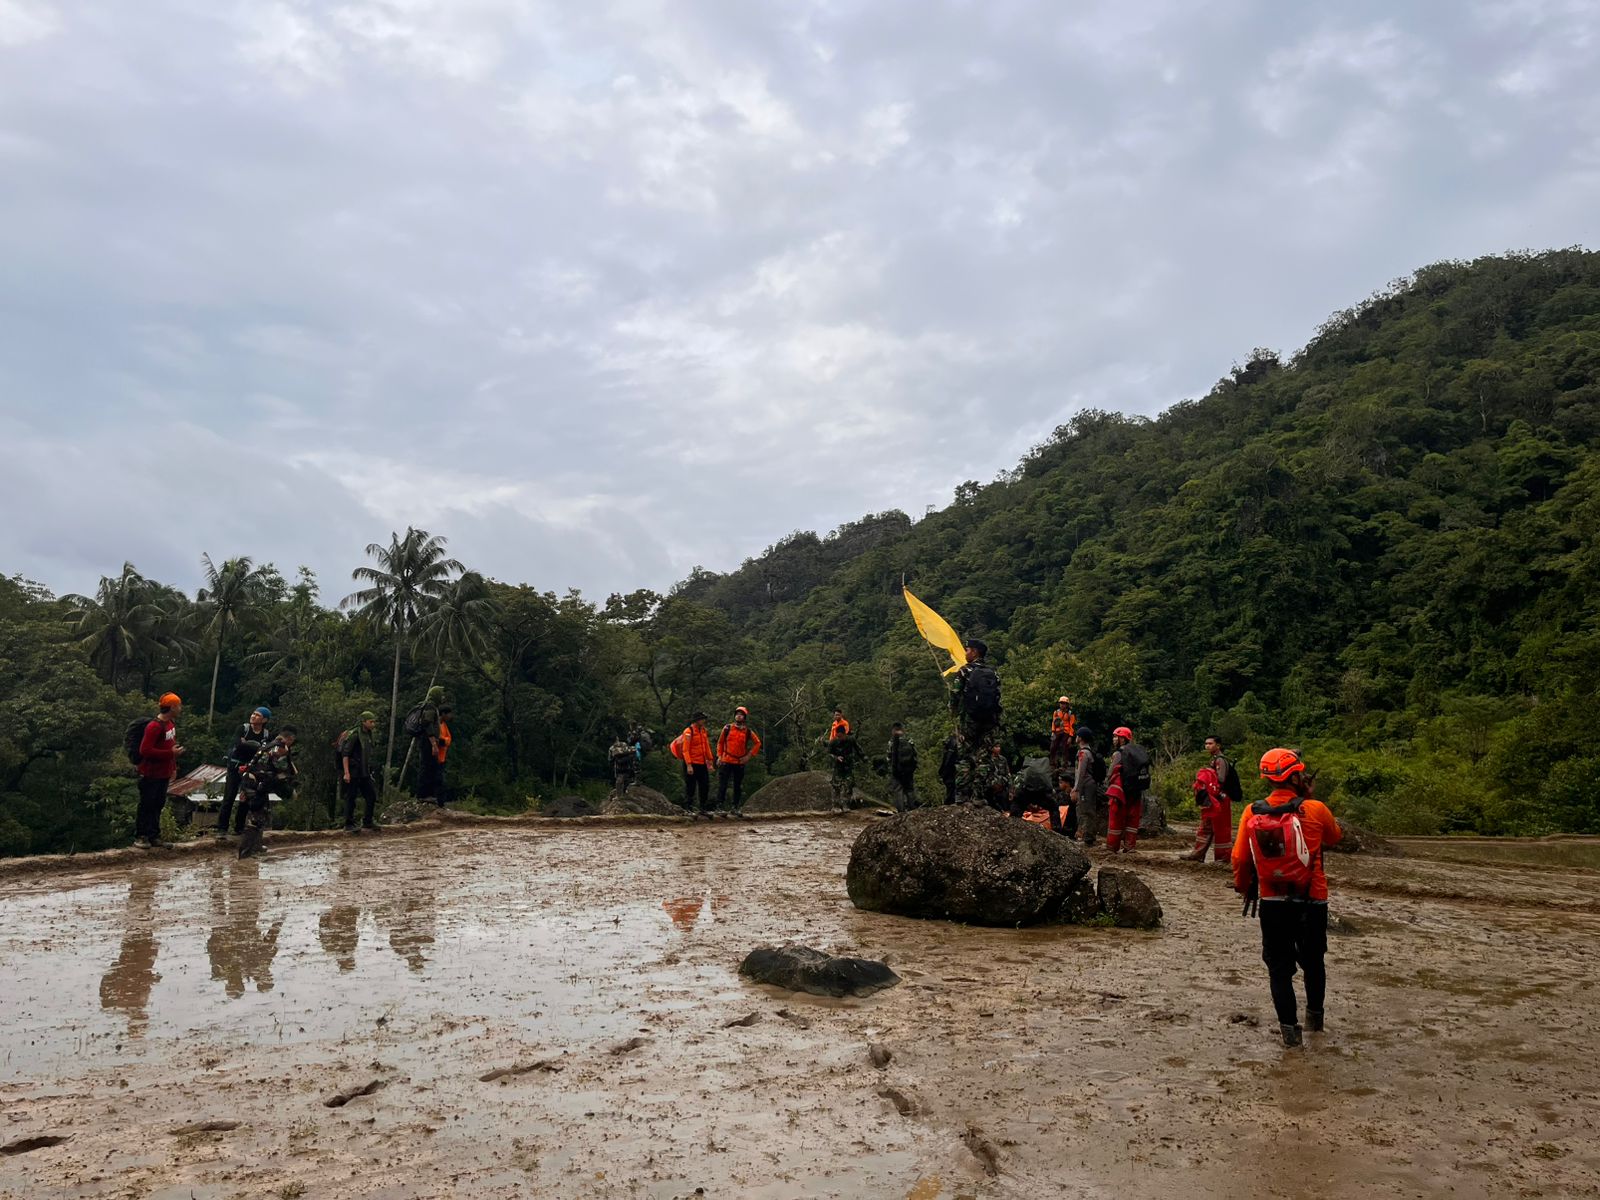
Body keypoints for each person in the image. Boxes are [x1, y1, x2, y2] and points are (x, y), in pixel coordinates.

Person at [1233, 748, 1343, 1047]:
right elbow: (1334, 837)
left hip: (1272, 900)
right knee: (1314, 961)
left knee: (1279, 968)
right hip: (1313, 898)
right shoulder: (1317, 809)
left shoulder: (1251, 812)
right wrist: (1309, 799)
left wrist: (1244, 888)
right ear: (1296, 776)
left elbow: (1240, 859)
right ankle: (1315, 1022)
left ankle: (1290, 1035)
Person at [950, 637, 1003, 804]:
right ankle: (978, 796)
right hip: (988, 722)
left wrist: (954, 712)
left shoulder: (964, 671)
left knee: (965, 757)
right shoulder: (993, 673)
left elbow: (955, 695)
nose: (965, 653)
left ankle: (962, 796)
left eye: (967, 650)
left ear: (974, 652)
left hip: (969, 722)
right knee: (984, 759)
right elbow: (997, 698)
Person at [238, 727, 298, 859]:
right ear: (289, 739)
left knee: (262, 815)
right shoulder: (278, 748)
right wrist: (288, 792)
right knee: (255, 818)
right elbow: (277, 775)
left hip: (255, 782)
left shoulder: (267, 745)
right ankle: (246, 853)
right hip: (257, 784)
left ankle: (256, 847)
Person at [133, 693, 184, 849]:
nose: (180, 708)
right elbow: (145, 750)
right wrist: (171, 754)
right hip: (150, 773)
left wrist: (173, 766)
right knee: (146, 804)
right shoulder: (155, 726)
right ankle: (141, 836)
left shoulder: (170, 724)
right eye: (179, 706)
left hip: (164, 772)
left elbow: (171, 746)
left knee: (158, 804)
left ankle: (154, 835)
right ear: (172, 707)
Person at [217, 705, 271, 840]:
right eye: (253, 713)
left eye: (257, 715)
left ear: (264, 720)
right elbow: (238, 745)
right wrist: (255, 747)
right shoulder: (243, 728)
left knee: (246, 798)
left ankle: (239, 828)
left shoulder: (266, 734)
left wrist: (248, 745)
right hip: (235, 767)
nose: (253, 716)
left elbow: (263, 751)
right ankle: (222, 830)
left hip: (251, 769)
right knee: (229, 797)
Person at [1105, 725, 1150, 853]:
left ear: (1122, 739)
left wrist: (1108, 782)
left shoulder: (1119, 753)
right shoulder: (1137, 751)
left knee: (1116, 819)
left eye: (1116, 737)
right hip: (1136, 791)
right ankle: (1130, 846)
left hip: (1121, 791)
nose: (1114, 739)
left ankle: (1112, 847)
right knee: (1132, 819)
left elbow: (1111, 772)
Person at [715, 706, 762, 817]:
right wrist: (719, 756)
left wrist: (749, 756)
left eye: (741, 714)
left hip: (739, 762)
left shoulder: (748, 731)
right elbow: (720, 743)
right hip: (726, 760)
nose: (739, 715)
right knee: (723, 784)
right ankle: (719, 807)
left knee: (738, 786)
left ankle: (735, 807)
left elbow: (758, 743)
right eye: (737, 714)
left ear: (744, 717)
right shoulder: (727, 728)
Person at [339, 711, 380, 834]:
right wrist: (346, 773)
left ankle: (367, 821)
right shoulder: (355, 735)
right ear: (363, 722)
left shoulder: (368, 734)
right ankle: (348, 824)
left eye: (374, 721)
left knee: (371, 795)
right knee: (351, 797)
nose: (373, 724)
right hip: (353, 770)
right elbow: (345, 754)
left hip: (364, 771)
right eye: (370, 721)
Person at [1185, 763, 1228, 862]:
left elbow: (1220, 780)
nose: (1207, 746)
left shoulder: (1219, 762)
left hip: (1214, 803)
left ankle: (1201, 855)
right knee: (1215, 830)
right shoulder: (1217, 764)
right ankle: (1220, 857)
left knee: (1208, 829)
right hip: (1217, 801)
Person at [675, 711, 715, 818]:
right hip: (692, 763)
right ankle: (688, 809)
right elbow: (685, 750)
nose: (704, 721)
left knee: (705, 786)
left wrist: (710, 761)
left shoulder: (703, 731)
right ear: (697, 720)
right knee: (690, 787)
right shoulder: (688, 731)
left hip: (702, 763)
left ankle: (703, 808)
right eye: (702, 719)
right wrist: (689, 764)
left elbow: (706, 746)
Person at [410, 686, 445, 804]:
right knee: (427, 767)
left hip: (429, 741)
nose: (443, 697)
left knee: (432, 767)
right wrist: (434, 744)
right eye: (441, 694)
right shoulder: (430, 707)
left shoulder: (432, 706)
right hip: (427, 742)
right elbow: (427, 723)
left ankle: (429, 794)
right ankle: (423, 795)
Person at [1010, 755, 1063, 832]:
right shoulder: (1045, 773)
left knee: (1017, 803)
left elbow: (1016, 787)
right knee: (1054, 807)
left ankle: (1013, 824)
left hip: (1025, 793)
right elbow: (1051, 790)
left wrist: (1014, 796)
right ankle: (1056, 828)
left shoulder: (1024, 771)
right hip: (1041, 794)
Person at [1071, 728, 1104, 846]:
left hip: (1086, 785)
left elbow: (1081, 772)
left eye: (1077, 735)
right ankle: (1088, 835)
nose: (1076, 737)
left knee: (1085, 810)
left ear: (1081, 738)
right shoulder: (1088, 751)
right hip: (1089, 784)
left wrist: (1076, 789)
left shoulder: (1083, 753)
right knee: (1086, 809)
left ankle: (1087, 837)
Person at [827, 722, 865, 806]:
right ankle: (836, 805)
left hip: (848, 765)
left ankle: (846, 804)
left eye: (841, 736)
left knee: (849, 784)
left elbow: (858, 749)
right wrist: (836, 758)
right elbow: (829, 753)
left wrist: (863, 757)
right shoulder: (833, 742)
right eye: (838, 736)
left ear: (844, 734)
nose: (839, 738)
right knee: (836, 785)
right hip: (838, 765)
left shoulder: (851, 740)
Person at [885, 722, 920, 811]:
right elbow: (915, 754)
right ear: (902, 730)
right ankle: (913, 809)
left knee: (898, 790)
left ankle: (900, 812)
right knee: (909, 789)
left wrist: (892, 768)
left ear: (893, 730)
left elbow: (889, 757)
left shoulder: (892, 742)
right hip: (909, 771)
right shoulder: (909, 740)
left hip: (897, 771)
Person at [1048, 696, 1076, 776]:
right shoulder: (1056, 712)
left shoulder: (1070, 714)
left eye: (1064, 703)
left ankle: (1064, 765)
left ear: (1067, 704)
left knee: (1064, 748)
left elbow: (1072, 725)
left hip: (1066, 732)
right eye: (1061, 703)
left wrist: (1070, 736)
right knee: (1053, 747)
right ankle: (1052, 764)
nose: (1062, 705)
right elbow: (1053, 722)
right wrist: (1053, 732)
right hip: (1057, 731)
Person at [434, 705, 453, 806]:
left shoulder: (444, 725)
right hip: (435, 757)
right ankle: (438, 802)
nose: (451, 716)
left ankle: (441, 803)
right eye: (449, 714)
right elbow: (438, 739)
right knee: (438, 781)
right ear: (443, 714)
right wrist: (443, 741)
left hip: (442, 758)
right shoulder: (436, 725)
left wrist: (443, 741)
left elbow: (449, 739)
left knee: (441, 781)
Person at [938, 731, 960, 806]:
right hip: (952, 770)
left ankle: (950, 801)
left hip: (951, 770)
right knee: (951, 787)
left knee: (951, 786)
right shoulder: (953, 745)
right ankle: (950, 801)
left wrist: (942, 772)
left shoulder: (952, 747)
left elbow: (947, 761)